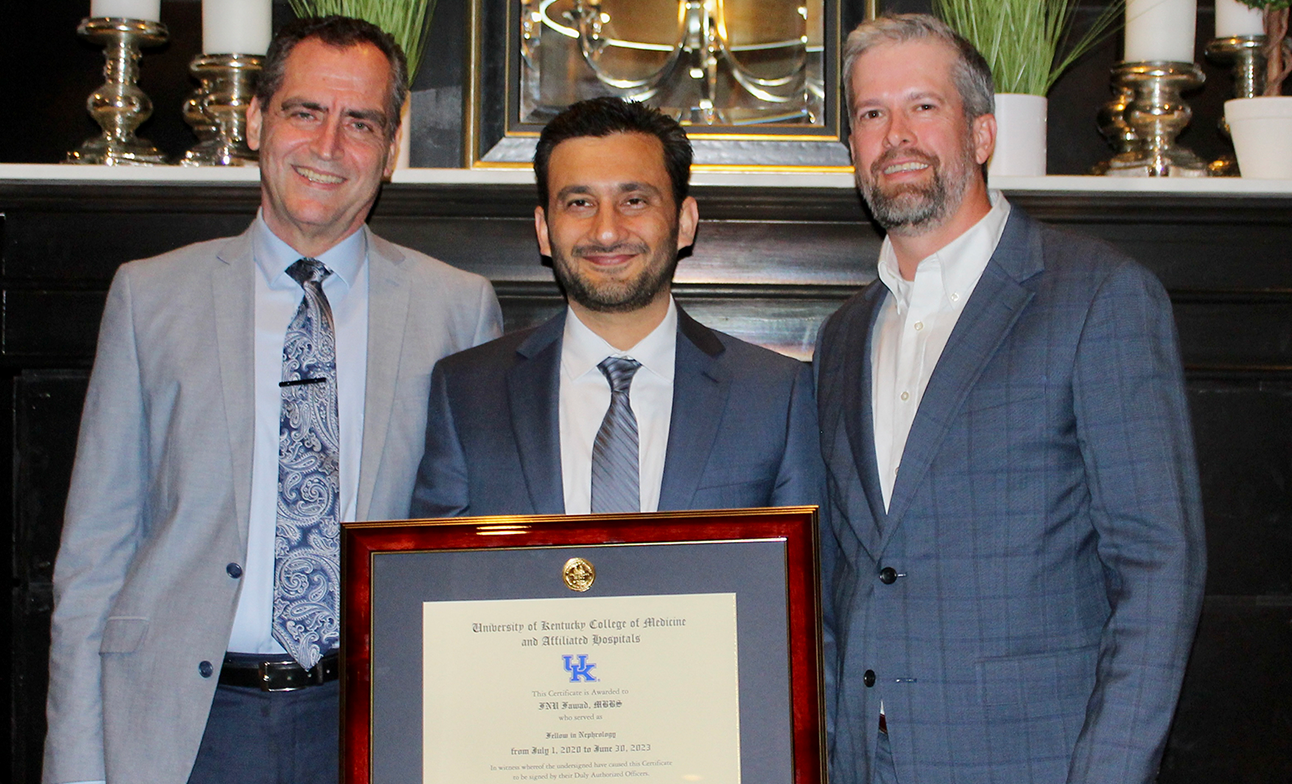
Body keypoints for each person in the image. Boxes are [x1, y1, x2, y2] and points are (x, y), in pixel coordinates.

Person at [41, 16, 501, 784]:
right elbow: (92, 560)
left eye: (361, 123)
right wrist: (76, 766)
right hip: (185, 728)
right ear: (255, 120)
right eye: (304, 112)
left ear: (390, 148)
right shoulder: (149, 297)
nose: (329, 147)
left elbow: (471, 555)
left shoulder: (457, 308)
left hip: (373, 722)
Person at [814, 13, 1206, 784]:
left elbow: (1161, 567)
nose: (896, 134)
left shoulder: (1097, 297)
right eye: (871, 113)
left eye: (924, 106)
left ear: (983, 134)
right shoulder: (842, 338)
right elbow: (845, 582)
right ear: (853, 148)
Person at [410, 96, 823, 518]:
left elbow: (796, 576)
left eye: (634, 201)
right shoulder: (467, 393)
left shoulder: (774, 396)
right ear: (544, 230)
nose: (606, 231)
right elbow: (441, 576)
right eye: (579, 203)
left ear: (684, 222)